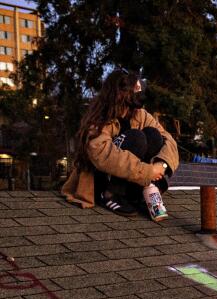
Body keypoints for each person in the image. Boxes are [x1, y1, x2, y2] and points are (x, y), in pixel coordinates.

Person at [62, 69, 178, 217]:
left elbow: (168, 139)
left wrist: (161, 165)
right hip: (100, 181)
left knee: (154, 135)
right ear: (117, 95)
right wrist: (148, 171)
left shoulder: (139, 114)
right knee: (136, 138)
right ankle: (110, 194)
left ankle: (143, 194)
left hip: (137, 179)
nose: (129, 109)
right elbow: (103, 154)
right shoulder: (99, 118)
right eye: (127, 100)